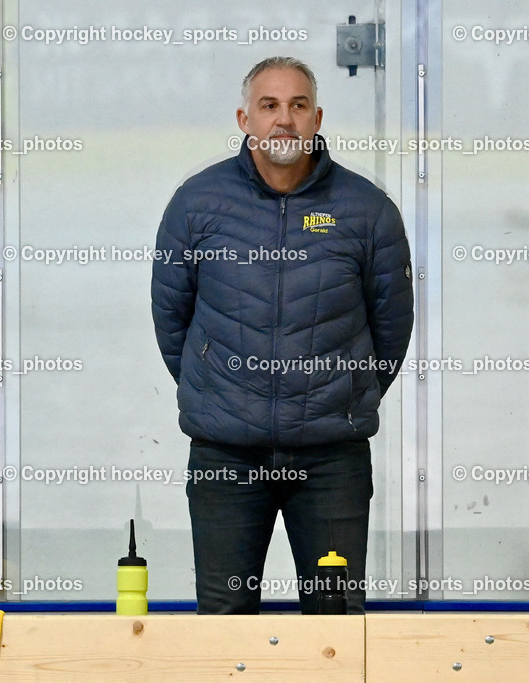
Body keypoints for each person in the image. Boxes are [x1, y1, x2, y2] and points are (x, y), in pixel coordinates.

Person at [151, 56, 413, 614]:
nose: (284, 120)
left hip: (330, 459)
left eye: (297, 106)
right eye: (269, 106)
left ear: (317, 118)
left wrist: (340, 397)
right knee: (225, 621)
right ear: (244, 118)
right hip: (226, 456)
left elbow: (391, 329)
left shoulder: (367, 211)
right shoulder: (197, 204)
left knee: (336, 626)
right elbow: (171, 318)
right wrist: (224, 392)